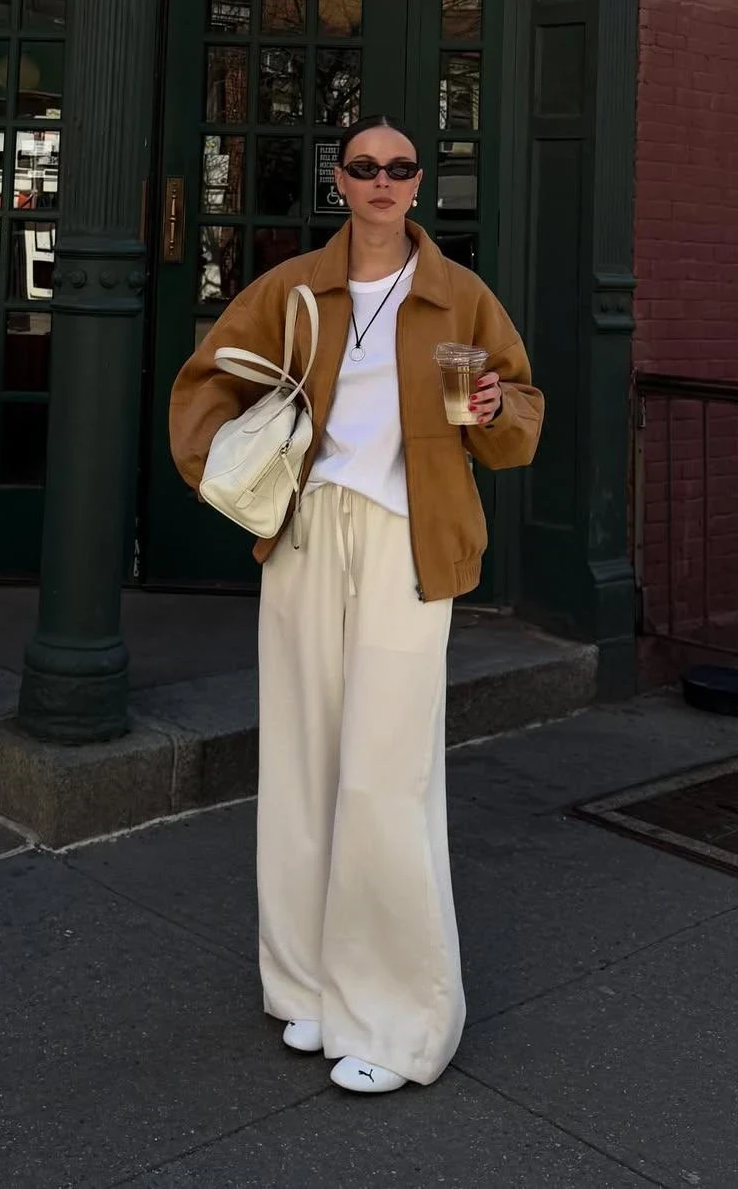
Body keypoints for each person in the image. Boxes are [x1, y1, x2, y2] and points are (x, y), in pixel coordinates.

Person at [169, 115, 544, 1094]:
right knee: (300, 764)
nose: (383, 180)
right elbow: (207, 378)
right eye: (365, 166)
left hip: (410, 543)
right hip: (306, 536)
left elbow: (519, 416)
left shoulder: (459, 295)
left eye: (401, 167)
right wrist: (223, 474)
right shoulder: (295, 288)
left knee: (385, 776)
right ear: (340, 180)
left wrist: (497, 411)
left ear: (419, 183)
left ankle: (399, 1020)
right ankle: (307, 987)